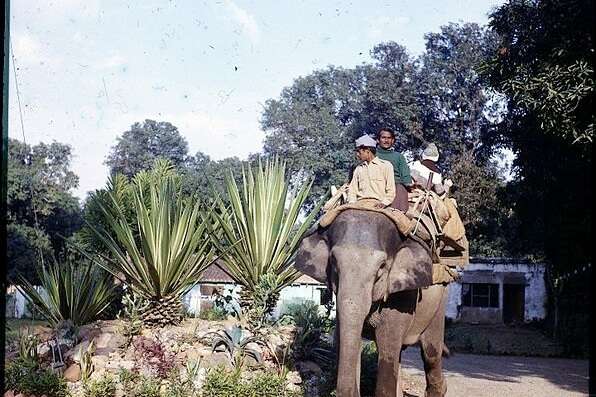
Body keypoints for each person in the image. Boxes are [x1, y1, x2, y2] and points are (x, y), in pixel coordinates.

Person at [347, 134, 396, 209]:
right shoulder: (358, 169)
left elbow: (391, 190)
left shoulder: (386, 166)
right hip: (360, 204)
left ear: (367, 151)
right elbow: (352, 190)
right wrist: (352, 203)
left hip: (378, 204)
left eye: (359, 152)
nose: (357, 155)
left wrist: (384, 203)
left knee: (400, 219)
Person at [376, 127, 412, 211]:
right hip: (376, 185)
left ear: (393, 141)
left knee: (398, 212)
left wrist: (410, 185)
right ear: (378, 140)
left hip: (396, 186)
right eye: (383, 138)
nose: (386, 140)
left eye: (389, 138)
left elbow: (405, 175)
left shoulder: (399, 156)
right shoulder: (373, 155)